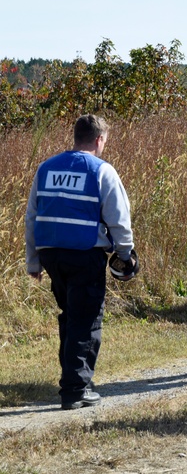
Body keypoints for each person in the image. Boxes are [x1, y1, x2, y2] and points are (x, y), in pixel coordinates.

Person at [25, 114, 137, 410]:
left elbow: (32, 216)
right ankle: (76, 389)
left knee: (70, 315)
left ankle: (76, 379)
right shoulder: (102, 170)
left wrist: (33, 260)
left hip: (51, 253)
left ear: (75, 136)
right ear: (99, 139)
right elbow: (118, 218)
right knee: (85, 320)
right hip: (84, 252)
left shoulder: (45, 168)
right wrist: (125, 255)